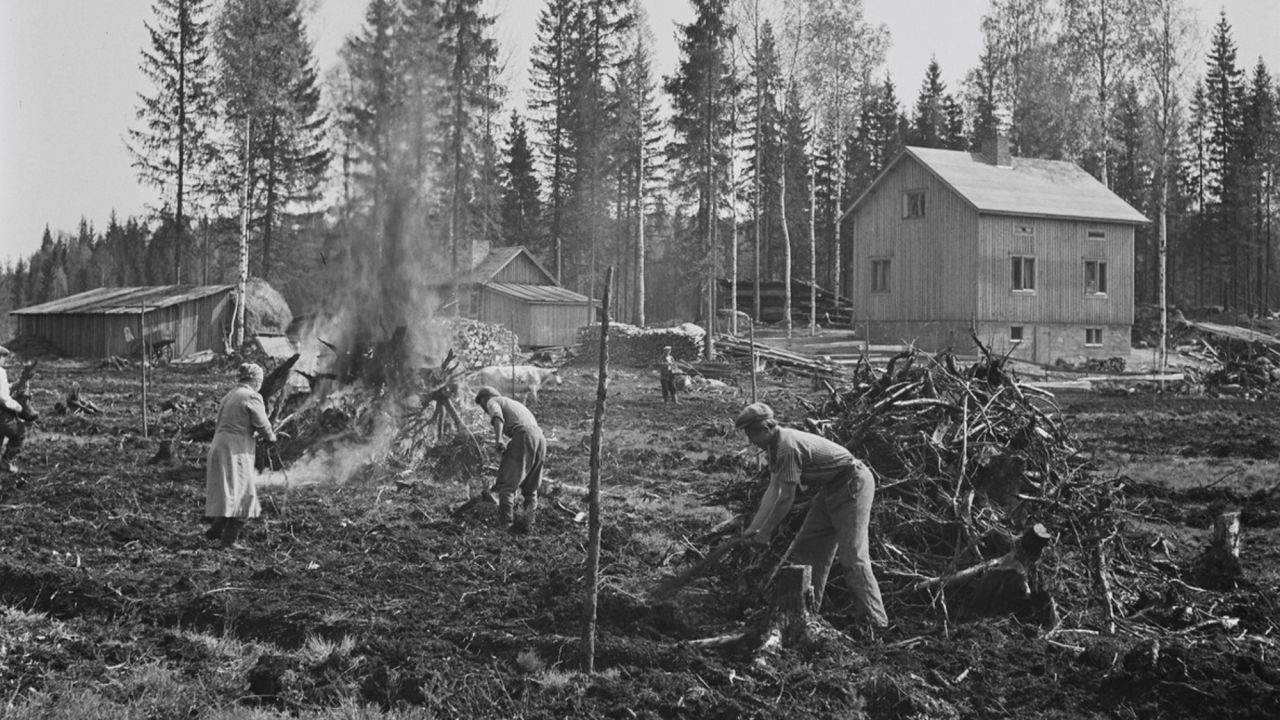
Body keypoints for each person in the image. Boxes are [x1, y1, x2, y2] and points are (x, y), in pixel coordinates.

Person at [735, 402, 888, 629]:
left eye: (752, 435)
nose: (750, 441)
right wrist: (755, 527)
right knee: (808, 550)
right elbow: (773, 489)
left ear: (766, 428)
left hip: (853, 484)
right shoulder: (775, 447)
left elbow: (786, 497)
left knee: (852, 556)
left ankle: (875, 622)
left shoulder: (787, 447)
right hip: (830, 489)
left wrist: (766, 532)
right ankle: (806, 613)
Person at [205, 362, 277, 550]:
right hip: (234, 452)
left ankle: (213, 532)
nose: (261, 384)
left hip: (219, 448)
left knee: (232, 494)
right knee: (245, 497)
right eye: (260, 380)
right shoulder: (252, 396)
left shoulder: (230, 395)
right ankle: (227, 544)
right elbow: (262, 425)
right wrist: (271, 437)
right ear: (254, 380)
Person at [475, 385, 546, 532]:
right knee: (531, 488)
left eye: (482, 405)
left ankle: (505, 524)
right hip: (540, 438)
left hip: (524, 436)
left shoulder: (492, 401)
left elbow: (497, 417)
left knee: (507, 485)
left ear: (484, 398)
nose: (484, 410)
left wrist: (499, 439)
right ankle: (528, 523)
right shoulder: (515, 404)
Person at [0, 346, 32, 473]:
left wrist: (13, 385)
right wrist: (18, 407)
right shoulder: (0, 372)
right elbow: (3, 397)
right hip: (1, 414)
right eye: (3, 358)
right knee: (20, 433)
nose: (4, 361)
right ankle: (6, 462)